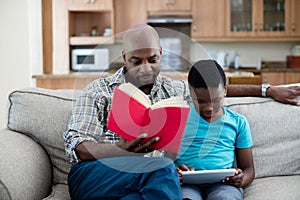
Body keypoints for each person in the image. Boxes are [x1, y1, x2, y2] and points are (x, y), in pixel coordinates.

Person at [64, 24, 300, 200]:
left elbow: (211, 89)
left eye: (153, 60)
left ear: (161, 54)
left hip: (148, 180)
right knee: (162, 169)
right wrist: (120, 150)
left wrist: (266, 89)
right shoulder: (97, 91)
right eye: (136, 61)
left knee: (149, 184)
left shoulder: (171, 90)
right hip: (96, 176)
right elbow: (79, 145)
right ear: (125, 58)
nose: (146, 68)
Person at [176, 59, 254, 200]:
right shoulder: (178, 120)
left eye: (215, 100)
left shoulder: (238, 122)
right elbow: (167, 160)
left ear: (225, 90)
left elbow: (249, 169)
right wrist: (175, 171)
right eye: (200, 101)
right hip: (188, 184)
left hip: (223, 184)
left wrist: (241, 179)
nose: (208, 108)